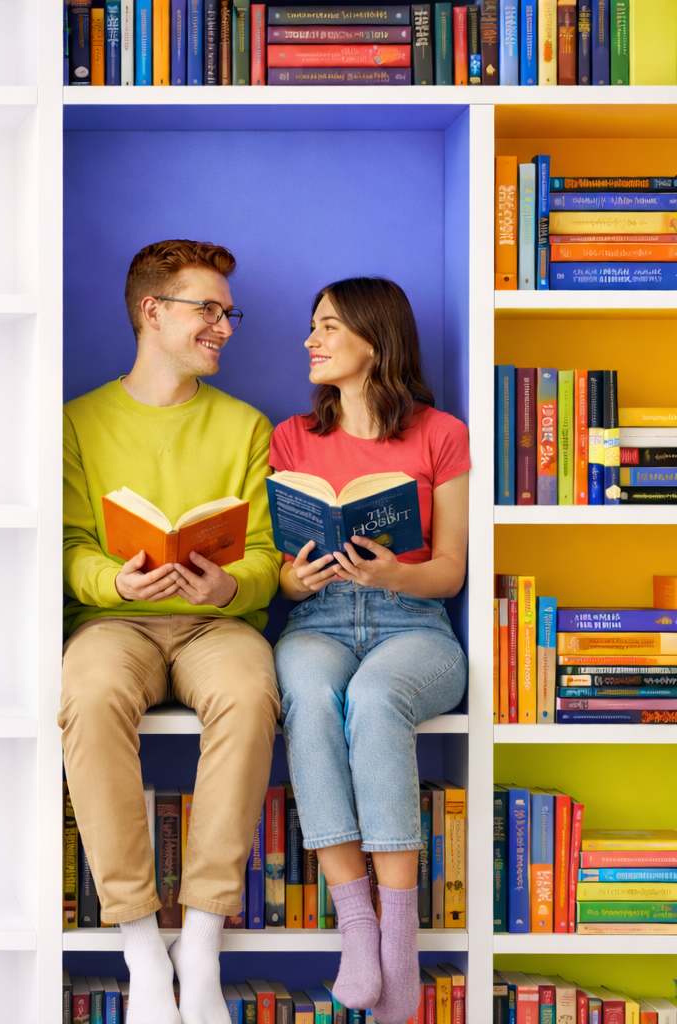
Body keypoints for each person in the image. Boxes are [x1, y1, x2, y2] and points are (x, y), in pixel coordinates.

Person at [61, 239, 283, 1024]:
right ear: (153, 312)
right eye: (208, 310)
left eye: (229, 313)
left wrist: (231, 582)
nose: (224, 325)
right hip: (114, 620)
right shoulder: (78, 422)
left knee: (253, 695)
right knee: (86, 696)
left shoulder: (246, 426)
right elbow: (68, 548)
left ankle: (200, 935)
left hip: (214, 622)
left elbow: (264, 555)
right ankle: (138, 944)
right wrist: (112, 580)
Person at [270, 278, 468, 1024]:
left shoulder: (440, 433)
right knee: (311, 695)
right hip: (318, 619)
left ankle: (399, 939)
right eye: (312, 325)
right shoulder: (292, 437)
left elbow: (452, 568)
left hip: (412, 623)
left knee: (378, 699)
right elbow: (285, 582)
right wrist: (297, 576)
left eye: (327, 326)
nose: (310, 341)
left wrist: (394, 573)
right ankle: (359, 927)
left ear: (374, 339)